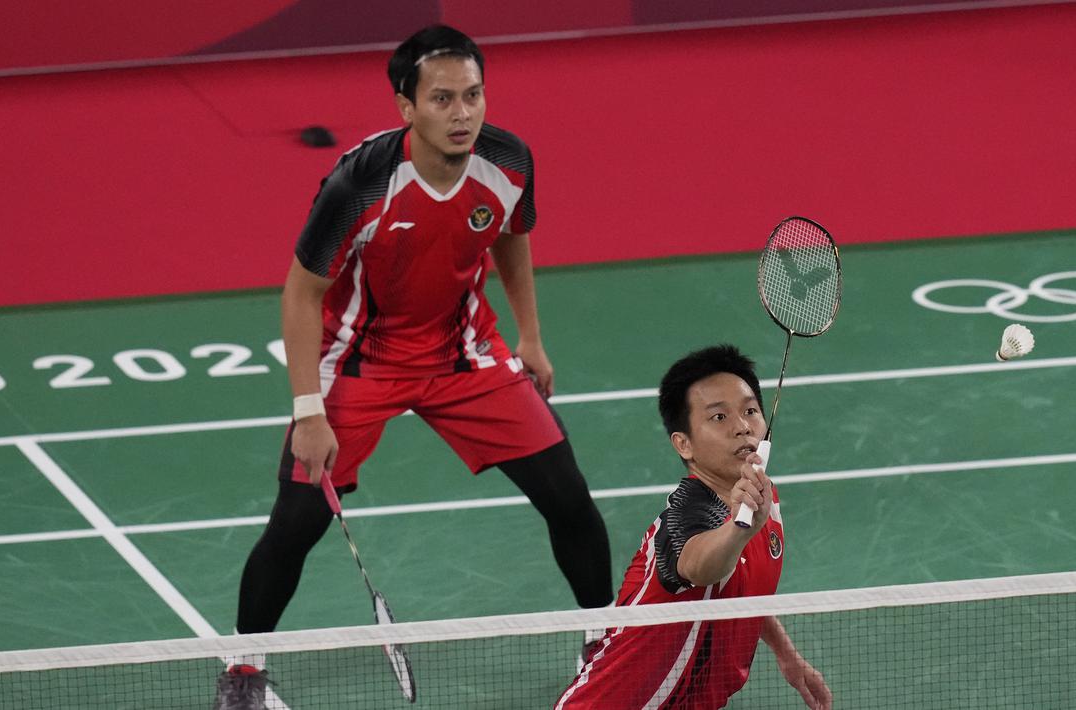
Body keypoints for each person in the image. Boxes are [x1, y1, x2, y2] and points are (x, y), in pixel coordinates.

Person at [213, 24, 613, 709]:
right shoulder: (360, 184)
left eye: (473, 95)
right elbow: (301, 294)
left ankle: (604, 640)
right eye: (442, 99)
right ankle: (243, 671)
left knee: (566, 493)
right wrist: (308, 411)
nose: (462, 113)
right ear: (407, 106)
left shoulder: (509, 161)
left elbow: (512, 236)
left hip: (462, 352)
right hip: (360, 360)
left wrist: (530, 337)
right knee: (298, 520)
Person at [556, 345, 831, 710]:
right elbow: (700, 567)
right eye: (719, 417)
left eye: (750, 411)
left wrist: (787, 654)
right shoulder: (687, 517)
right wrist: (739, 530)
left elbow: (743, 587)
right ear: (683, 444)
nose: (742, 427)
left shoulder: (762, 498)